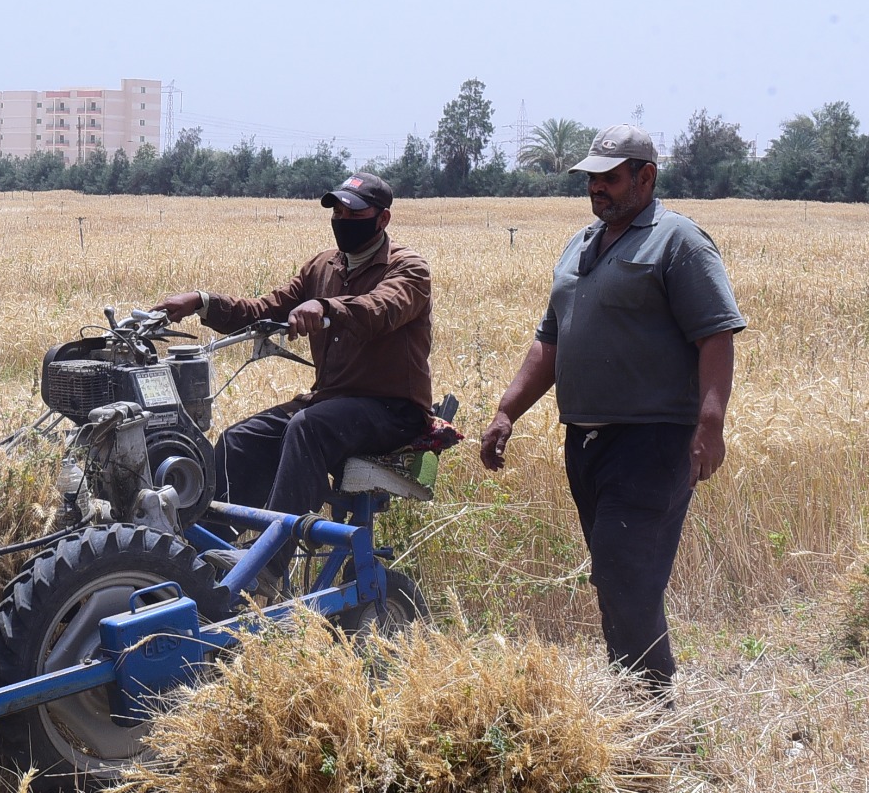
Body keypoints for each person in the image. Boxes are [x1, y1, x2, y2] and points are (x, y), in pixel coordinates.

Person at [479, 124, 745, 697]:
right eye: (591, 178)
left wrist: (710, 425)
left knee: (627, 573)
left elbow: (717, 336)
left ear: (646, 177)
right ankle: (638, 694)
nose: (596, 188)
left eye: (610, 177)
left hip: (652, 441)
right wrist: (507, 412)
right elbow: (549, 342)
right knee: (616, 573)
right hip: (585, 442)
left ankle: (647, 706)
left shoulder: (679, 243)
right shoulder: (579, 245)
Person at [154, 171, 433, 518]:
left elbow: (381, 309)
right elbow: (264, 310)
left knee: (308, 428)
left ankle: (270, 561)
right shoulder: (322, 267)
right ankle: (211, 554)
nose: (342, 220)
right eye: (337, 213)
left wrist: (326, 306)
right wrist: (202, 301)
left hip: (393, 411)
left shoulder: (408, 268)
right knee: (238, 442)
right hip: (331, 402)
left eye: (354, 214)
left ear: (383, 219)